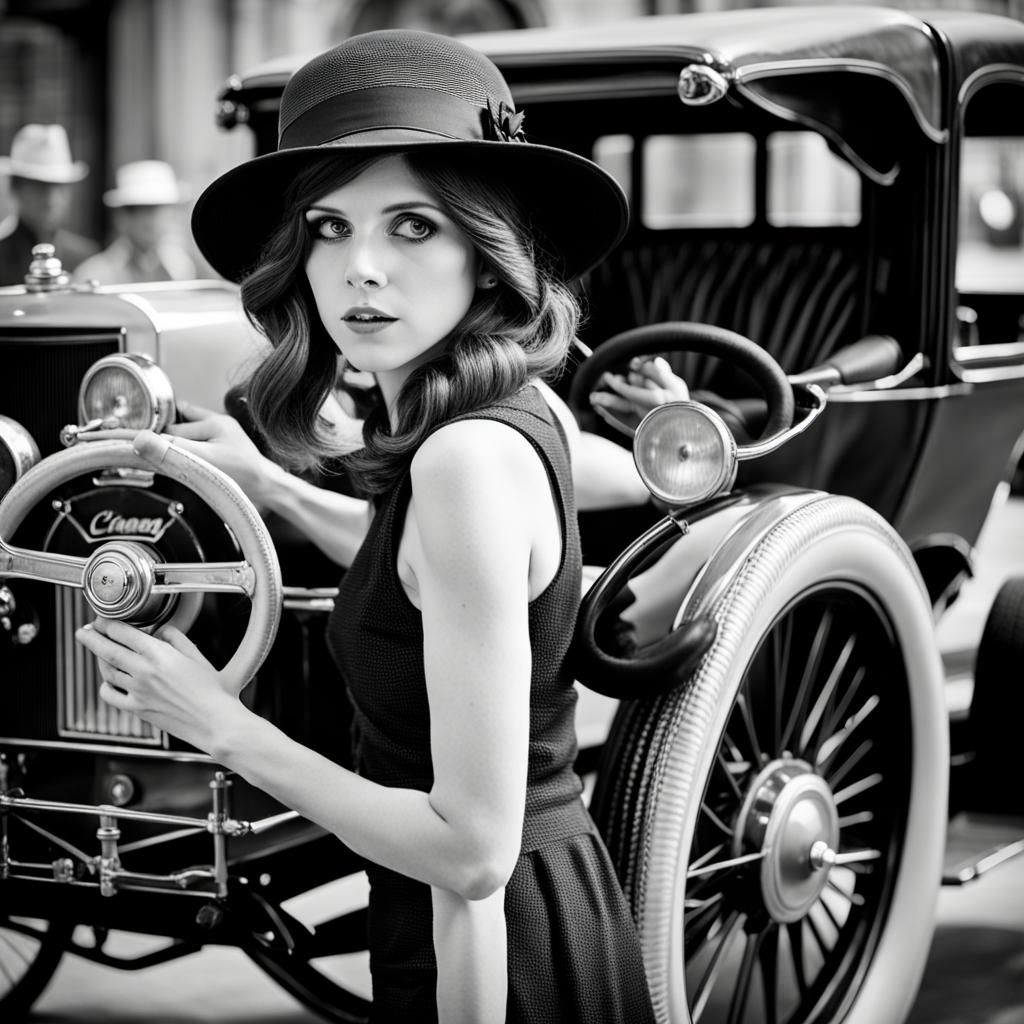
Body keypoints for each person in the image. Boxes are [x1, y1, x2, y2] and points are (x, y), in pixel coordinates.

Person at [75, 29, 656, 1024]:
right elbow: (415, 576)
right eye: (329, 229)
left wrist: (219, 723)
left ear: (487, 253)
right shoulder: (487, 419)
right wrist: (273, 485)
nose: (362, 270)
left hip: (490, 958)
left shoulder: (462, 459)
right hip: (502, 925)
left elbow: (469, 849)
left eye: (414, 226)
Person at [0, 123, 99, 285]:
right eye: (40, 186)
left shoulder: (86, 259)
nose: (51, 198)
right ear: (15, 188)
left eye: (58, 187)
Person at [73, 160, 198, 284]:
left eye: (160, 211)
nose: (153, 221)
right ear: (123, 217)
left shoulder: (182, 268)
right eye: (145, 211)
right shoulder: (94, 277)